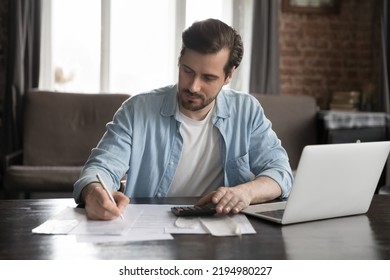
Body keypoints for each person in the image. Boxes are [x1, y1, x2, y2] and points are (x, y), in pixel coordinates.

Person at [73, 18, 293, 220]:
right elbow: (100, 168)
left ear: (228, 76)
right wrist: (94, 193)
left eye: (208, 78)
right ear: (179, 61)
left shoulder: (247, 111)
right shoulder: (137, 110)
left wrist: (246, 192)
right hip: (150, 229)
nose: (193, 86)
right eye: (188, 70)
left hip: (223, 228)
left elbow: (281, 173)